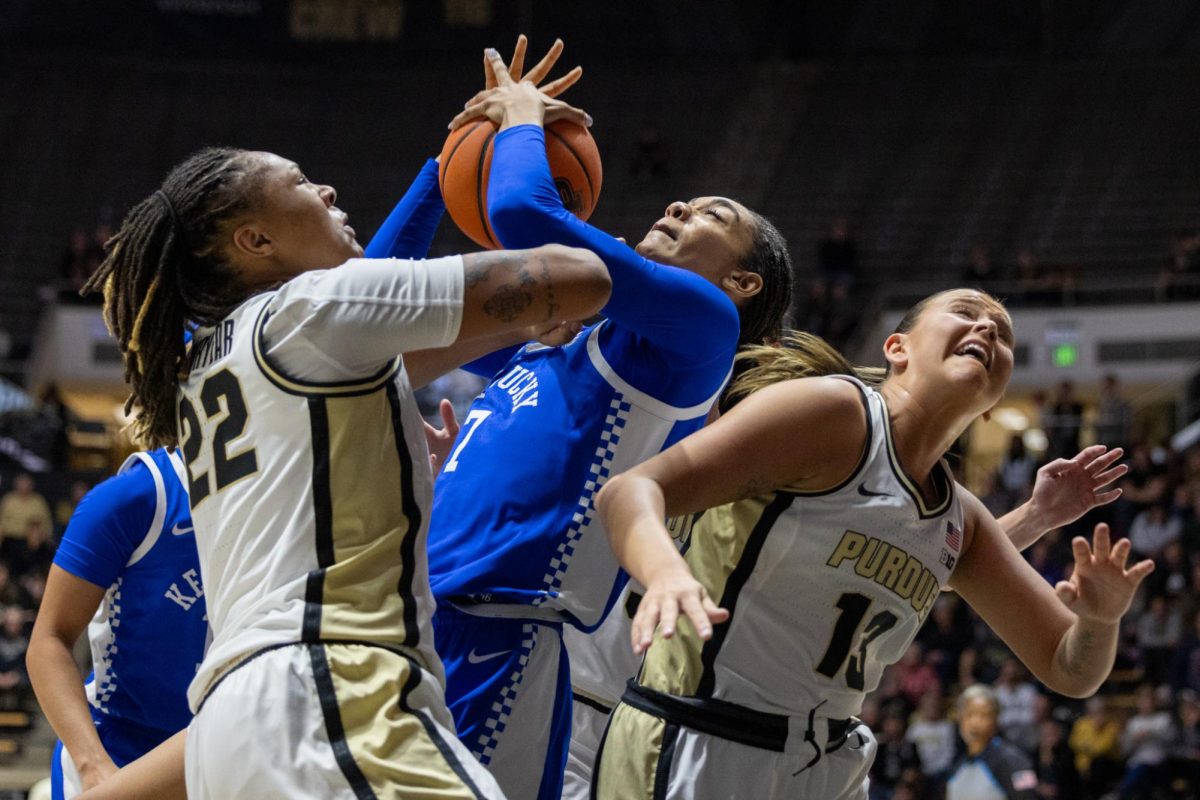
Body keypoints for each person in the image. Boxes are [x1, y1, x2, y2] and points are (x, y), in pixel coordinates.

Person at [74, 105, 609, 800]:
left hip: (228, 728)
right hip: (332, 689)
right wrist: (516, 134)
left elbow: (413, 352)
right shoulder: (312, 309)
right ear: (255, 238)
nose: (327, 191)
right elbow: (584, 276)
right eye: (300, 181)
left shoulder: (212, 367)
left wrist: (524, 297)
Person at [591, 289, 1153, 799]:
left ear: (995, 397)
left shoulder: (962, 520)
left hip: (830, 763)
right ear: (897, 348)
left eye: (1002, 333)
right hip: (704, 735)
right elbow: (631, 491)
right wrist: (665, 571)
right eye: (965, 313)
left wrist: (1101, 621)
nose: (987, 330)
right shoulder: (834, 412)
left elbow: (1069, 669)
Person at [427, 47, 793, 800]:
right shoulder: (572, 339)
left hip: (510, 631)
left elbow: (523, 210)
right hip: (417, 617)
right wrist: (451, 161)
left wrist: (524, 119)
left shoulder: (703, 327)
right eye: (683, 200)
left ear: (741, 281)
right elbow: (379, 318)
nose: (678, 207)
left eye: (709, 215)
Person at [26, 449, 204, 799]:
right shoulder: (138, 493)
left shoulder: (283, 498)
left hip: (221, 747)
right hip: (122, 748)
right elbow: (48, 640)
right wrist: (93, 765)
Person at [945, 684, 1038, 800]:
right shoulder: (958, 766)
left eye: (983, 715)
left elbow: (1029, 796)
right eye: (968, 715)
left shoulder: (1014, 760)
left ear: (996, 720)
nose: (974, 723)